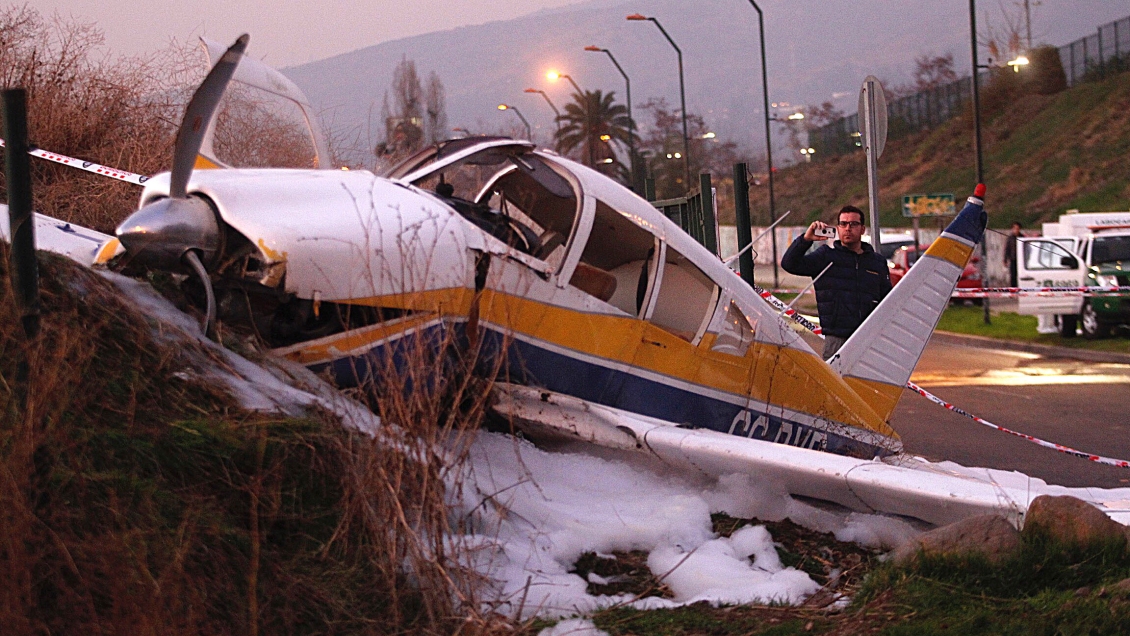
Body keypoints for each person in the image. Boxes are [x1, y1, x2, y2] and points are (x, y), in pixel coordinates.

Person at [781, 205, 892, 360]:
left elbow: (887, 299)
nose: (848, 228)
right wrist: (805, 240)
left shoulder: (876, 262)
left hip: (869, 338)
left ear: (862, 229)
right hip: (837, 339)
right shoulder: (826, 257)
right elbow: (789, 264)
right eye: (843, 224)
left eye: (853, 224)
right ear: (838, 228)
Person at [1004, 221, 1022, 288]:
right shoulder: (1010, 238)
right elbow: (1007, 249)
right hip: (1013, 259)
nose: (1016, 230)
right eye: (1014, 228)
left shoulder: (1022, 237)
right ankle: (1013, 289)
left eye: (1017, 228)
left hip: (1021, 260)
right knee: (1013, 275)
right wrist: (1005, 259)